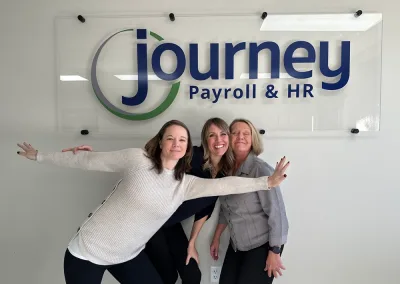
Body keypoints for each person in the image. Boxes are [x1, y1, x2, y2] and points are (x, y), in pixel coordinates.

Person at [16, 119, 289, 284]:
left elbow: (224, 185)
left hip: (127, 255)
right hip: (88, 250)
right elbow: (88, 160)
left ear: (186, 147)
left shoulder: (186, 185)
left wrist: (266, 182)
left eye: (182, 139)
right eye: (170, 138)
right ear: (160, 143)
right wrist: (39, 156)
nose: (177, 143)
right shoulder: (138, 160)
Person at [63, 117, 235, 284]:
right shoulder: (191, 156)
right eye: (212, 135)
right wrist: (91, 156)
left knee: (192, 276)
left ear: (229, 137)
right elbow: (149, 161)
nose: (218, 140)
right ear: (205, 139)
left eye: (223, 134)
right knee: (166, 277)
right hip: (152, 225)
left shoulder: (223, 174)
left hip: (172, 227)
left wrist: (192, 243)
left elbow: (204, 210)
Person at [210, 118, 289, 284]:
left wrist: (274, 251)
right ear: (228, 138)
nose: (240, 137)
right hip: (238, 246)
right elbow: (226, 209)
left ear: (253, 139)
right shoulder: (226, 171)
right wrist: (216, 236)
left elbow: (278, 214)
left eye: (246, 133)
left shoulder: (261, 169)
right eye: (235, 133)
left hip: (263, 245)